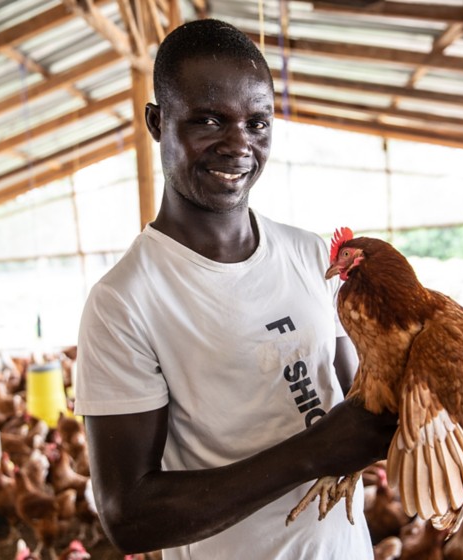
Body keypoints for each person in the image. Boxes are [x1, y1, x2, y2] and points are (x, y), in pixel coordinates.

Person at [74, 18, 397, 559]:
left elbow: (356, 406)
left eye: (258, 123)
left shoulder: (311, 255)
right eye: (208, 120)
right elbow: (128, 516)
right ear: (157, 123)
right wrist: (315, 452)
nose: (238, 145)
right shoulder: (123, 302)